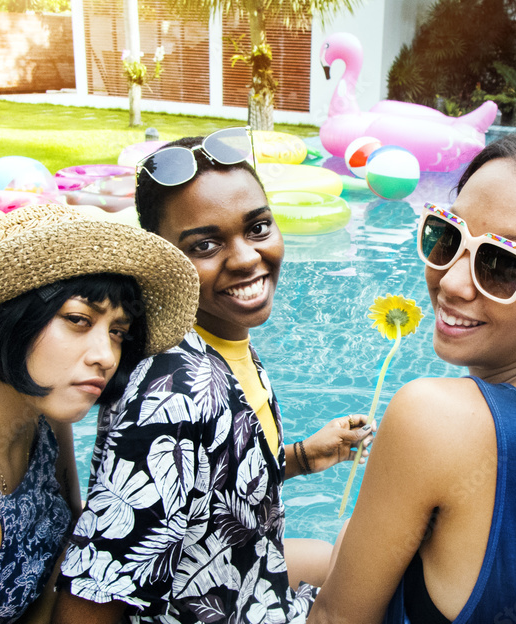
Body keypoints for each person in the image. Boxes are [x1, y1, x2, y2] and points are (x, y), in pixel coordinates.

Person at [53, 128, 375, 624]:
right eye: (205, 245)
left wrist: (305, 457)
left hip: (246, 579)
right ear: (159, 260)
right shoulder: (174, 393)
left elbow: (212, 484)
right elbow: (90, 602)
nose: (247, 257)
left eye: (259, 227)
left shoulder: (223, 344)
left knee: (365, 559)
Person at [307, 130, 516, 624]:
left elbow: (335, 618)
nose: (452, 283)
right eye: (446, 235)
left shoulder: (434, 417)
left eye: (501, 263)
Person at [0, 203, 199, 624]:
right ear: (10, 315)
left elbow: (68, 558)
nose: (106, 356)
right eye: (79, 320)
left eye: (117, 332)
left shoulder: (43, 419)